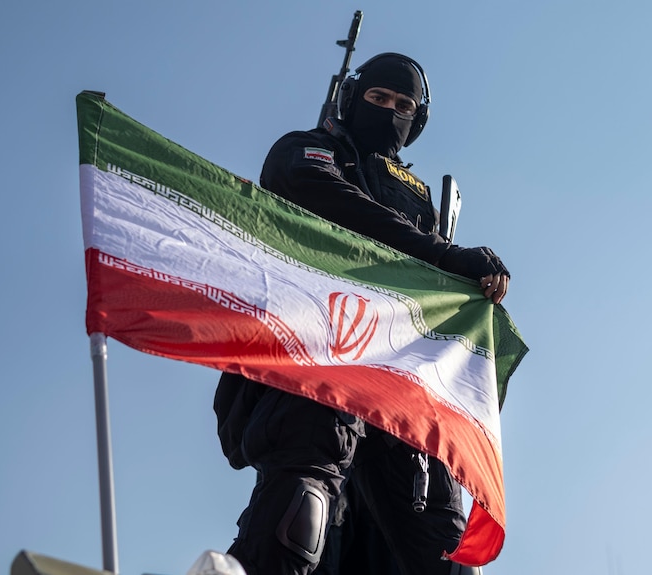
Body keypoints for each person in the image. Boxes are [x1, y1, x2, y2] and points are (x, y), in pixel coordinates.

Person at [213, 53, 508, 575]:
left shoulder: (423, 209)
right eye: (378, 98)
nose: (389, 110)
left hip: (402, 382)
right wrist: (437, 254)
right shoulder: (306, 152)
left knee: (438, 536)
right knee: (304, 505)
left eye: (403, 105)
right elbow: (332, 204)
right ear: (351, 99)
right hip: (319, 355)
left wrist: (469, 279)